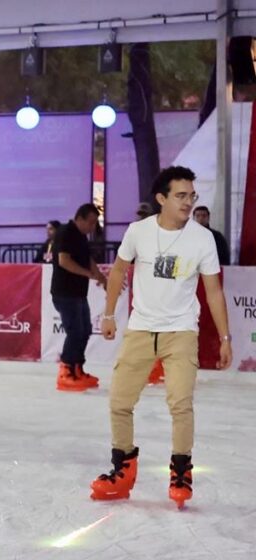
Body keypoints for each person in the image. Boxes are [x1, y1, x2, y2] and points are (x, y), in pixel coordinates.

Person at [91, 166, 231, 509]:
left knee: (181, 403)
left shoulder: (202, 238)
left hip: (181, 331)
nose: (188, 202)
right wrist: (109, 314)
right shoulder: (138, 231)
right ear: (162, 198)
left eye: (191, 195)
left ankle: (181, 470)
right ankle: (122, 470)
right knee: (119, 402)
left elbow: (213, 291)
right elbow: (120, 270)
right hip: (140, 329)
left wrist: (225, 337)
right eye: (181, 195)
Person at [51, 204, 108, 391]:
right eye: (90, 222)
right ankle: (65, 372)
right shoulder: (65, 232)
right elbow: (64, 261)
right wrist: (88, 274)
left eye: (95, 223)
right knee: (75, 331)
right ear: (80, 218)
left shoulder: (81, 236)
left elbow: (87, 258)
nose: (92, 227)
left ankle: (77, 369)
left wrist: (99, 275)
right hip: (65, 292)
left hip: (78, 293)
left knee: (85, 330)